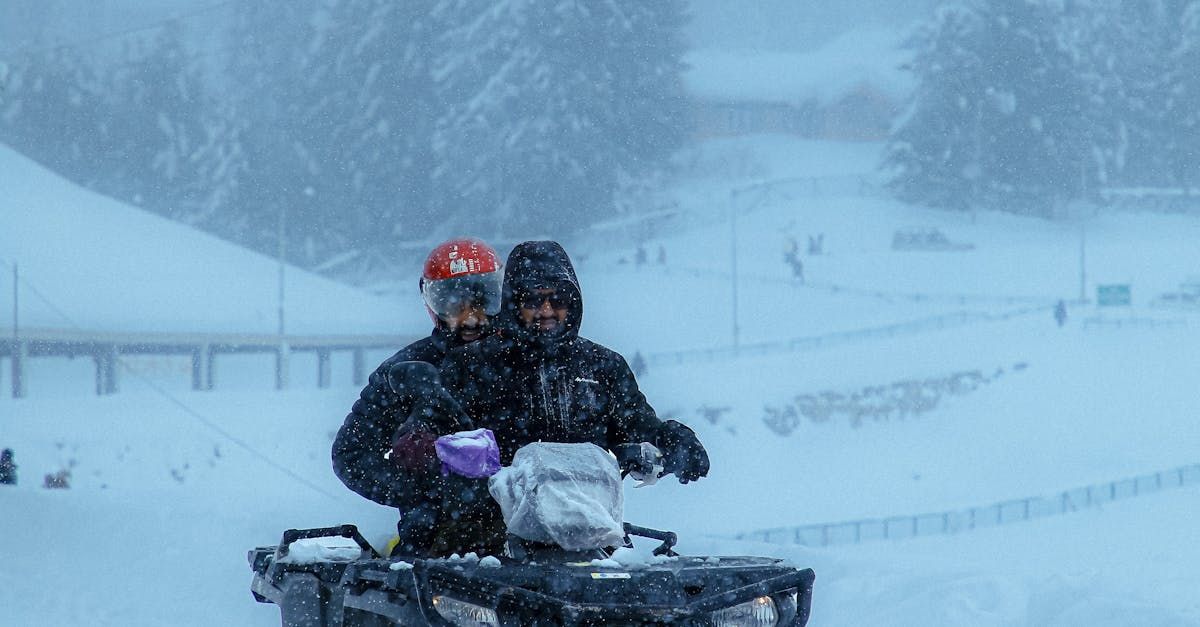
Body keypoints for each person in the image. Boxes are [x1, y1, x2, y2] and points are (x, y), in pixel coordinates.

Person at [432, 240, 710, 555]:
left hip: (588, 534)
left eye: (559, 299)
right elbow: (444, 446)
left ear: (574, 301)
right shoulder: (471, 366)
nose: (547, 311)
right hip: (488, 541)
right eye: (533, 300)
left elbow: (639, 426)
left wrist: (671, 440)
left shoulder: (603, 366)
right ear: (513, 303)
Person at [331, 237, 503, 556]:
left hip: (539, 530)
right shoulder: (404, 371)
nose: (471, 316)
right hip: (436, 541)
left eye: (483, 299)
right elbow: (351, 454)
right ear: (433, 304)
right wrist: (427, 489)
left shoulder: (528, 361)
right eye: (454, 303)